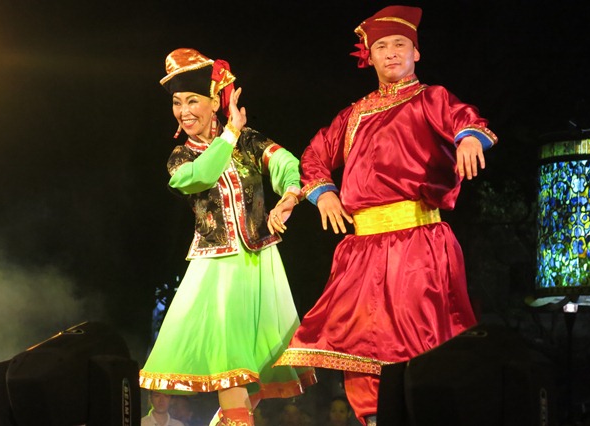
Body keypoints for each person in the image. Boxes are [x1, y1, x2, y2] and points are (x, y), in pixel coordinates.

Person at [274, 5, 497, 426]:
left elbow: (464, 119)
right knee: (360, 341)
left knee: (422, 340)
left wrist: (469, 139)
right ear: (370, 57)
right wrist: (323, 193)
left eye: (400, 44)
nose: (391, 52)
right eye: (381, 47)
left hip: (417, 241)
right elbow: (315, 155)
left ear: (416, 53)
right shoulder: (354, 114)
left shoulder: (431, 98)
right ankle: (372, 418)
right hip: (362, 247)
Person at [139, 48, 316, 426]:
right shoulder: (181, 157)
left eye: (192, 100)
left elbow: (286, 163)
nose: (183, 111)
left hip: (260, 263)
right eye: (177, 102)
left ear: (214, 102)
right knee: (230, 365)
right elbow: (200, 176)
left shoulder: (248, 141)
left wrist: (289, 196)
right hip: (218, 269)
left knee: (255, 366)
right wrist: (230, 133)